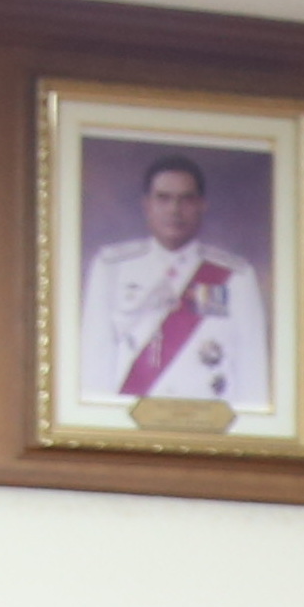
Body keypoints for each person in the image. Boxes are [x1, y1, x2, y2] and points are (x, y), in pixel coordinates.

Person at [74, 152, 270, 413]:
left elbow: (252, 368)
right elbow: (95, 359)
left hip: (208, 422)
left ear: (202, 205)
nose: (174, 210)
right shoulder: (112, 267)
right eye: (163, 198)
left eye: (186, 199)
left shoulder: (236, 276)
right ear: (147, 205)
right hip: (129, 420)